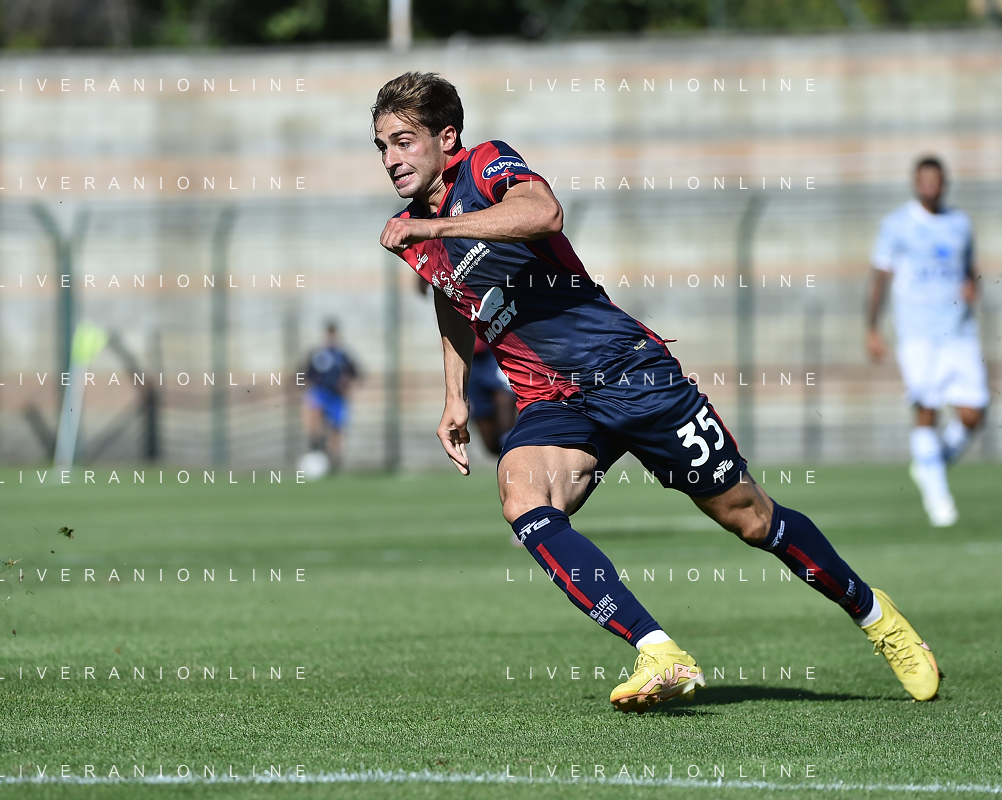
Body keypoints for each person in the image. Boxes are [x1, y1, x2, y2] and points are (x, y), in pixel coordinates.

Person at [373, 71, 940, 712]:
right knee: (522, 497)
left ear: (447, 138)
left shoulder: (485, 168)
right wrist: (456, 396)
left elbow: (544, 213)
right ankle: (658, 652)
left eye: (403, 142)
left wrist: (438, 229)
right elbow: (451, 298)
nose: (391, 159)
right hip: (554, 401)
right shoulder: (411, 230)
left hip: (631, 374)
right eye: (382, 147)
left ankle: (875, 615)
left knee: (752, 518)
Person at [868, 156, 987, 527]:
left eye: (936, 180)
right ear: (915, 183)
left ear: (945, 183)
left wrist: (972, 287)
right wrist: (871, 328)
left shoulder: (960, 223)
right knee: (927, 409)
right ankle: (939, 501)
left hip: (960, 331)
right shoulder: (897, 225)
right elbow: (880, 278)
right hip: (918, 335)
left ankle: (930, 465)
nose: (931, 186)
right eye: (924, 180)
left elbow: (969, 271)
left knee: (974, 411)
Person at [418, 275, 518, 455]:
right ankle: (508, 457)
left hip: (494, 346)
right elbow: (420, 286)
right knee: (490, 442)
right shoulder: (436, 269)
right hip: (465, 358)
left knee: (504, 405)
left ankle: (521, 458)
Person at [303, 321, 358, 472]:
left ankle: (334, 460)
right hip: (321, 392)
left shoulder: (343, 355)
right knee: (311, 405)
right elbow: (305, 374)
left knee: (337, 429)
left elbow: (355, 373)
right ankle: (315, 441)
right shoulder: (317, 354)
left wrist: (346, 383)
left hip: (337, 397)